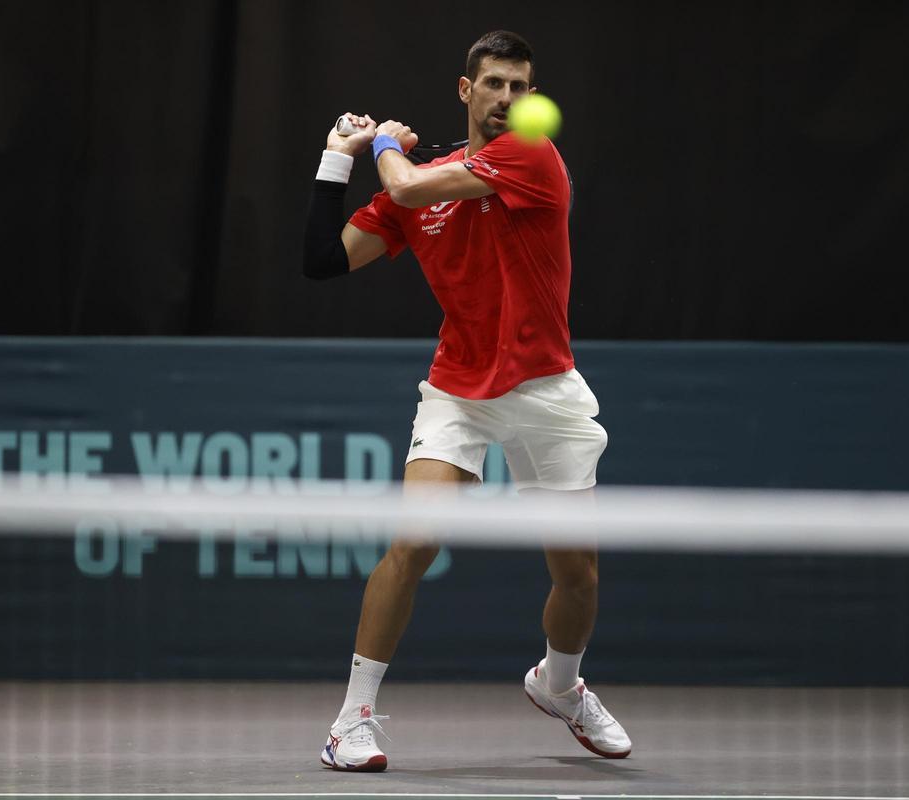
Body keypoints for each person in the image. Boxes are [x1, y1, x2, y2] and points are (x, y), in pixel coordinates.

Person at [301, 30, 631, 772]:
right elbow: (322, 262)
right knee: (414, 543)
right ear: (466, 89)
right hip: (458, 388)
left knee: (577, 574)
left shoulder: (530, 156)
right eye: (495, 85)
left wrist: (382, 142)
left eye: (521, 86)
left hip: (546, 385)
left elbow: (409, 185)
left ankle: (561, 685)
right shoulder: (418, 187)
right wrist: (337, 158)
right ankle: (351, 719)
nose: (509, 99)